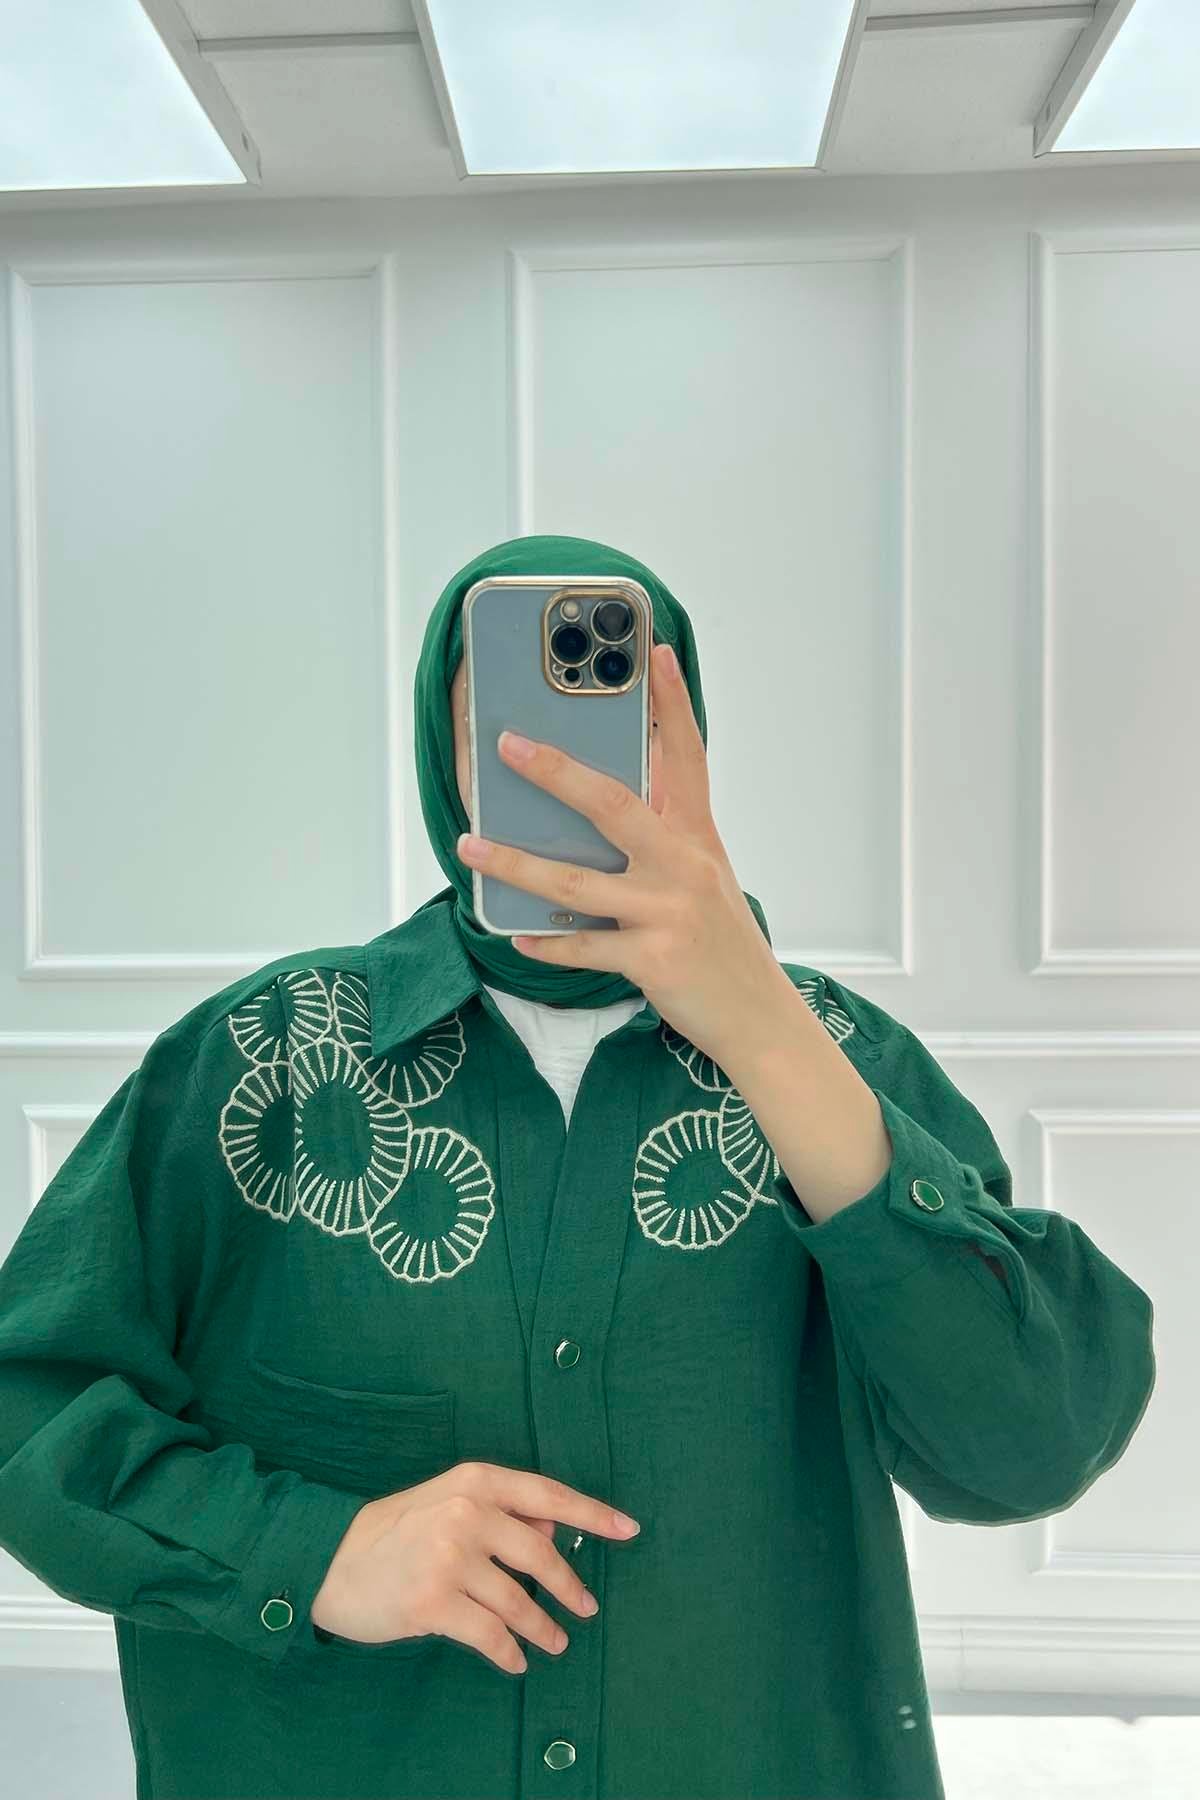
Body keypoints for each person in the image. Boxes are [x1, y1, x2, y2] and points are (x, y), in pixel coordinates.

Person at [0, 533, 1156, 1800]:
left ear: (688, 748)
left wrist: (764, 1026)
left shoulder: (841, 1061)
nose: (554, 760)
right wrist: (315, 1551)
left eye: (618, 717)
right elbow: (26, 1407)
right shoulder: (263, 1065)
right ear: (441, 754)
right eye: (500, 715)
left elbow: (1033, 1443)